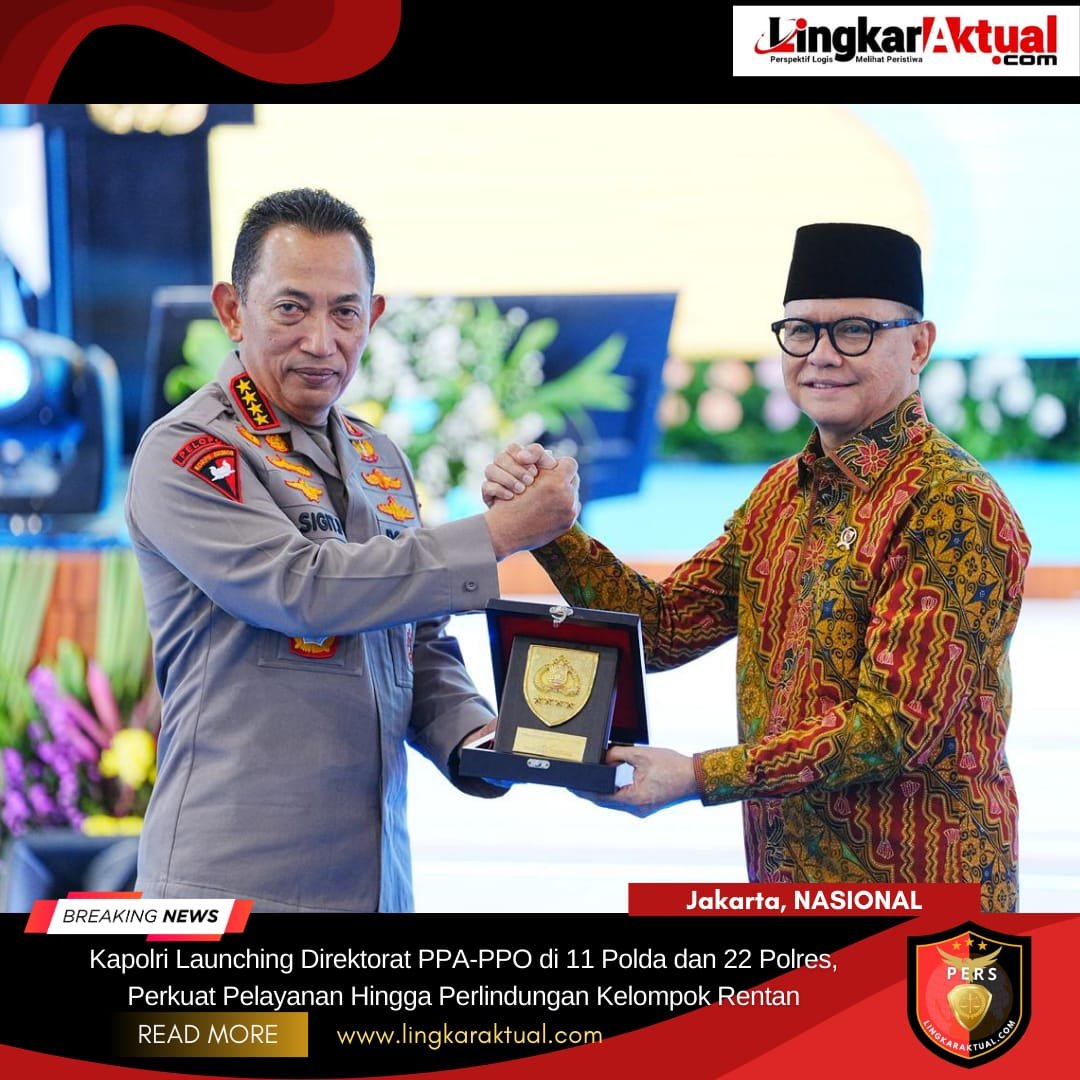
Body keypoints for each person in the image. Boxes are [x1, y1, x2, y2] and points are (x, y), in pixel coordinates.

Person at [484, 222, 1030, 913]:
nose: (822, 355)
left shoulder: (950, 502)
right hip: (784, 888)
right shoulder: (781, 494)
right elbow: (664, 628)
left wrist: (698, 775)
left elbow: (893, 727)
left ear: (918, 344)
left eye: (854, 331)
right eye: (801, 331)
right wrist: (549, 527)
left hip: (929, 909)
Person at [125, 188, 579, 912]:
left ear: (374, 316)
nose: (320, 340)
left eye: (344, 312)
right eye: (291, 308)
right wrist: (502, 533)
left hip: (377, 884)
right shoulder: (186, 451)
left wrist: (485, 741)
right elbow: (303, 589)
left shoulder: (379, 457)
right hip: (230, 885)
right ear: (232, 310)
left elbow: (415, 644)